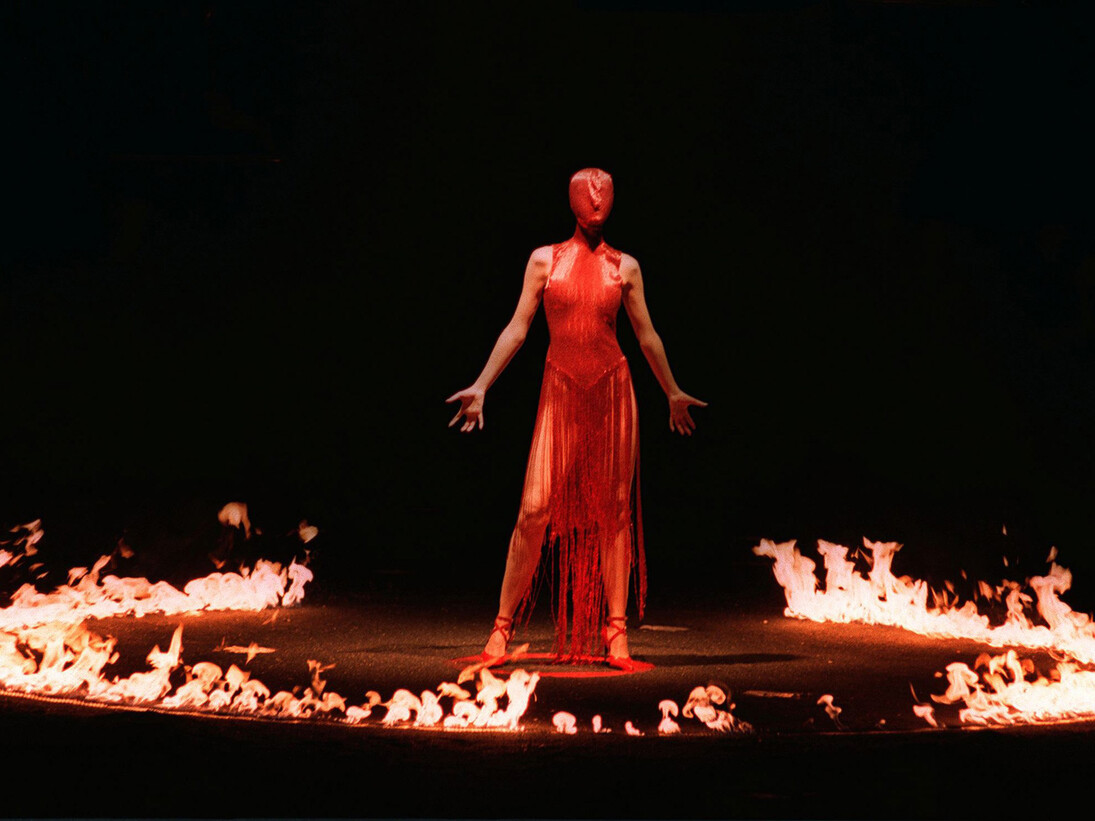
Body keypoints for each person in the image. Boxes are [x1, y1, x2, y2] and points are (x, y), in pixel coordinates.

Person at [447, 169, 705, 671]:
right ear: (571, 202)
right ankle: (500, 629)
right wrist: (482, 384)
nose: (596, 201)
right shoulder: (545, 260)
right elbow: (518, 328)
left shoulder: (624, 267)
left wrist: (671, 390)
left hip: (612, 391)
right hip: (560, 390)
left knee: (614, 513)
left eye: (604, 193)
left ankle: (615, 634)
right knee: (534, 508)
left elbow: (646, 335)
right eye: (587, 194)